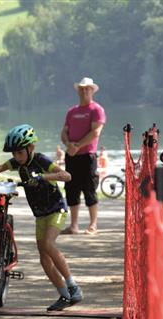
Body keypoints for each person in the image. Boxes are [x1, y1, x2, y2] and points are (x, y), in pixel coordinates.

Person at [0, 124, 83, 311]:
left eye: (20, 152)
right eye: (14, 153)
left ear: (31, 148)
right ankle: (64, 295)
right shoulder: (15, 163)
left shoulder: (41, 160)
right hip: (40, 215)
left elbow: (66, 175)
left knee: (48, 245)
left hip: (56, 210)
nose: (16, 157)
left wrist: (42, 177)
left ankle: (73, 286)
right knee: (44, 258)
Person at [60, 76, 106, 235]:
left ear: (92, 91)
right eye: (82, 88)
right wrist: (68, 145)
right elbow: (64, 132)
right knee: (71, 189)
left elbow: (96, 132)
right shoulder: (71, 111)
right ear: (78, 90)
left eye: (87, 88)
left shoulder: (96, 110)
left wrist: (78, 145)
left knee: (89, 189)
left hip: (87, 156)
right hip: (71, 156)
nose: (84, 91)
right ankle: (73, 225)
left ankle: (93, 225)